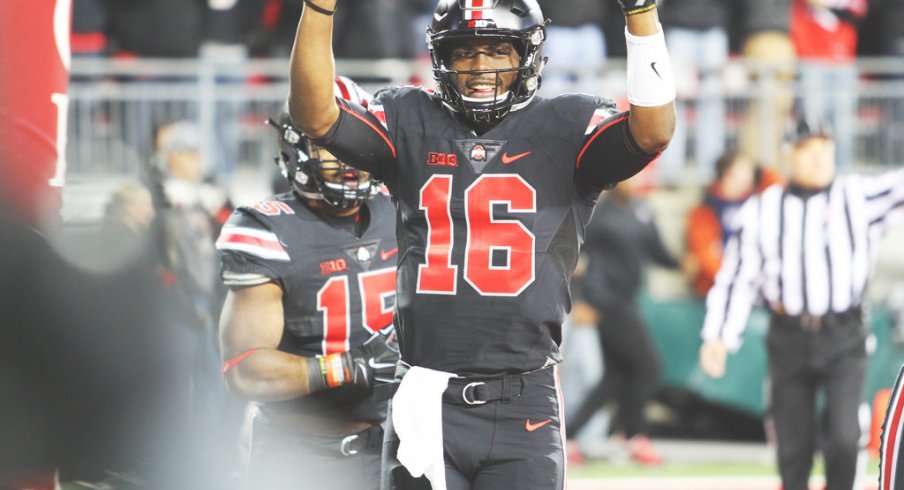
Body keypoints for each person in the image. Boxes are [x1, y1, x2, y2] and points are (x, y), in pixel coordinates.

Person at [288, 0, 676, 488]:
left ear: (528, 55)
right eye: (464, 52)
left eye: (497, 51)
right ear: (440, 57)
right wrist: (318, 9)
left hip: (524, 397)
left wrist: (641, 14)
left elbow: (653, 130)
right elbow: (315, 113)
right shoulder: (409, 116)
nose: (480, 68)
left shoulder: (568, 123)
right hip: (425, 393)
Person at [699, 118, 904, 490]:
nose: (819, 158)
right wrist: (719, 336)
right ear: (789, 155)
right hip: (789, 333)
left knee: (844, 438)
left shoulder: (856, 196)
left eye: (825, 148)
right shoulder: (763, 210)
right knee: (794, 447)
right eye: (809, 149)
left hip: (844, 333)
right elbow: (737, 278)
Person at [216, 76, 400, 490]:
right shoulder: (266, 227)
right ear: (295, 147)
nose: (348, 157)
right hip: (302, 455)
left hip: (394, 447)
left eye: (354, 142)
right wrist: (351, 368)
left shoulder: (399, 207)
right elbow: (244, 370)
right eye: (331, 145)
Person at [565, 173, 691, 466]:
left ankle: (570, 436)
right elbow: (574, 255)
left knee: (615, 376)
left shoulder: (643, 209)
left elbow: (657, 252)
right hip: (606, 301)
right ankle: (634, 434)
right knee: (649, 366)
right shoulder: (599, 211)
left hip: (628, 298)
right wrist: (580, 298)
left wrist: (682, 264)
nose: (633, 182)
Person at [685, 150, 783, 297]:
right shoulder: (706, 209)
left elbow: (779, 188)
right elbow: (707, 257)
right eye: (746, 169)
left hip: (749, 287)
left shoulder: (751, 200)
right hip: (715, 291)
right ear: (729, 173)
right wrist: (735, 282)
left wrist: (762, 170)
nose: (751, 174)